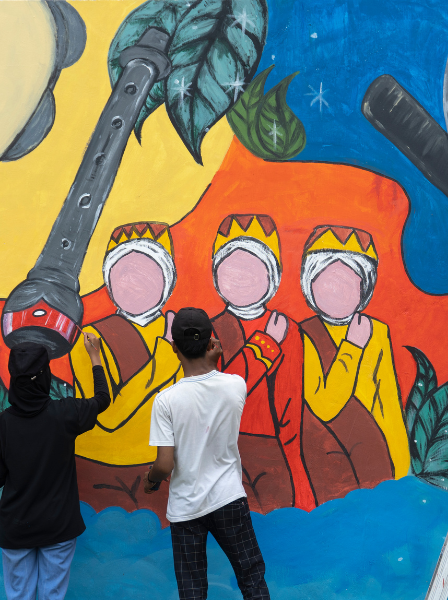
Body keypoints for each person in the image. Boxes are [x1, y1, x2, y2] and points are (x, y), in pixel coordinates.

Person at [144, 307, 271, 600]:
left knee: (192, 589)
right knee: (251, 577)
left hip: (185, 508)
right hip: (228, 499)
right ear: (211, 342)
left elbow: (164, 465)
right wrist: (213, 362)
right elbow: (213, 382)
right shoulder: (235, 385)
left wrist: (151, 481)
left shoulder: (165, 401)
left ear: (174, 347)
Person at [68, 222, 181, 518]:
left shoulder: (172, 330)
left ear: (167, 279)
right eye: (123, 272)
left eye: (147, 272)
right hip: (100, 466)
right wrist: (164, 359)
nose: (133, 283)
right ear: (108, 280)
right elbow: (107, 413)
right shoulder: (93, 338)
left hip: (159, 465)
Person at [0, 335, 110, 600]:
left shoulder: (3, 424)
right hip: (59, 526)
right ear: (45, 377)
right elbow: (102, 398)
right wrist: (95, 356)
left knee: (19, 596)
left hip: (17, 528)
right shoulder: (66, 413)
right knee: (52, 595)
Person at [209, 214, 315, 512]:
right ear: (216, 275)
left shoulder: (288, 330)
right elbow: (219, 395)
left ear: (272, 275)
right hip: (220, 448)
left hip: (271, 450)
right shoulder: (211, 328)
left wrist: (298, 477)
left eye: (253, 268)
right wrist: (265, 344)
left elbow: (290, 409)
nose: (241, 278)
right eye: (231, 268)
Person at [299, 225, 410, 504]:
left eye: (349, 282)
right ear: (310, 283)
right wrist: (352, 346)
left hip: (374, 455)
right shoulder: (303, 334)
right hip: (327, 458)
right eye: (327, 281)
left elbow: (388, 403)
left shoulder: (377, 331)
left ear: (365, 287)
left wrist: (401, 469)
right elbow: (325, 405)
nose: (337, 291)